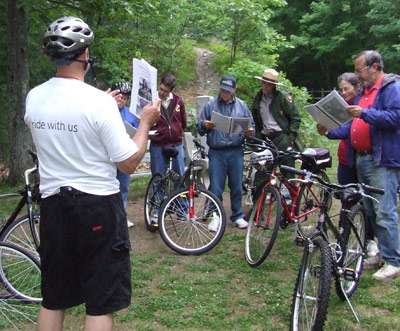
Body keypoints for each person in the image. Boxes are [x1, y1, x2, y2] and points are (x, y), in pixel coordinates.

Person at [25, 16, 160, 330]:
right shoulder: (99, 103)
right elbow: (128, 162)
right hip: (97, 206)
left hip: (54, 205)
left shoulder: (34, 97)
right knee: (100, 301)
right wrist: (145, 123)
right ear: (85, 56)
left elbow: (63, 134)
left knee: (53, 298)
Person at [319, 50, 400, 280]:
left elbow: (395, 118)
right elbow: (352, 127)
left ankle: (394, 261)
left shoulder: (390, 88)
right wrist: (329, 132)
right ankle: (383, 254)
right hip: (362, 159)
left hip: (381, 160)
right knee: (372, 210)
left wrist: (365, 113)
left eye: (359, 70)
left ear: (374, 67)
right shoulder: (364, 92)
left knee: (385, 211)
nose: (357, 75)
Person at [197, 75, 254, 229]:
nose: (224, 93)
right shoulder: (211, 105)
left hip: (236, 150)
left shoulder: (242, 106)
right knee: (216, 186)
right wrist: (204, 125)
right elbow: (199, 128)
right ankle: (216, 215)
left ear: (234, 90)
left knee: (236, 184)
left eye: (227, 91)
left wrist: (250, 131)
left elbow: (252, 126)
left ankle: (237, 215)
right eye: (222, 90)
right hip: (217, 151)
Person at [251, 68, 302, 201]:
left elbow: (295, 118)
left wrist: (290, 138)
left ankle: (291, 206)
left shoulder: (282, 98)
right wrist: (257, 139)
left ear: (274, 85)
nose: (265, 86)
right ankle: (257, 208)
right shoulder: (258, 98)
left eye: (268, 84)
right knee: (262, 173)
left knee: (288, 172)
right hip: (266, 139)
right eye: (263, 83)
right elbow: (256, 120)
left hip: (281, 137)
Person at [148, 74, 187, 224]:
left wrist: (175, 131)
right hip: (158, 144)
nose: (162, 92)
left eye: (165, 91)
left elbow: (183, 122)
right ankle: (158, 209)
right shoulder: (152, 101)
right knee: (158, 177)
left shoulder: (178, 101)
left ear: (171, 90)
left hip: (176, 143)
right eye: (161, 89)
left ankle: (181, 209)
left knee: (180, 177)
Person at [317, 73, 360, 184]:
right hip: (344, 156)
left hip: (358, 158)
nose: (343, 93)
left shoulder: (361, 106)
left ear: (357, 87)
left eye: (346, 89)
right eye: (341, 90)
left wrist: (329, 133)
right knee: (344, 193)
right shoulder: (341, 104)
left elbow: (348, 130)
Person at [111, 82, 139, 228]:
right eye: (120, 97)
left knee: (123, 186)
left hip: (124, 154)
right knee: (109, 186)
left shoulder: (130, 114)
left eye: (125, 98)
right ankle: (109, 217)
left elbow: (137, 132)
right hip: (107, 156)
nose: (122, 100)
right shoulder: (105, 109)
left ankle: (121, 215)